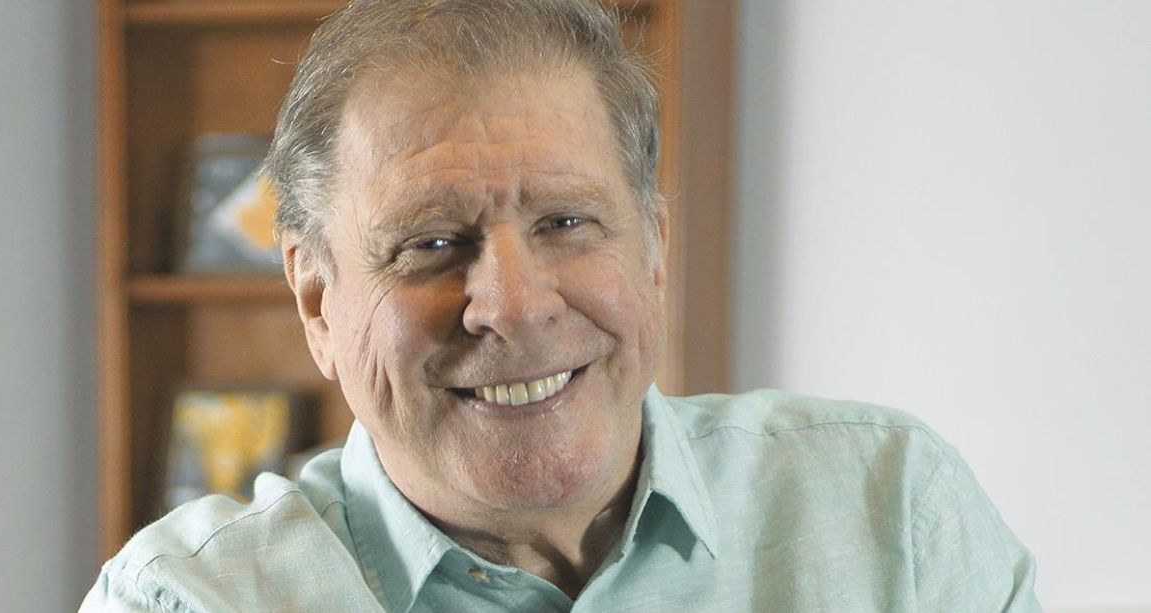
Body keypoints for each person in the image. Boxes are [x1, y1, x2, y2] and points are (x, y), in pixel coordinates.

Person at [82, 0, 1041, 610]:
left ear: (653, 247)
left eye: (567, 222)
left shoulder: (888, 514)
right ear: (317, 300)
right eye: (430, 243)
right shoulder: (189, 601)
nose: (512, 305)